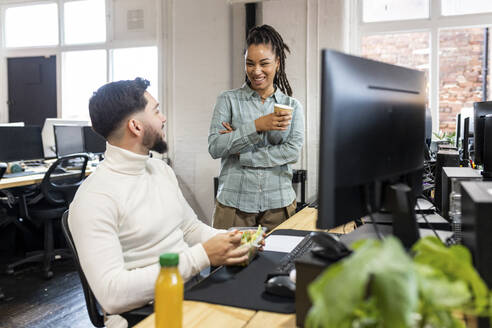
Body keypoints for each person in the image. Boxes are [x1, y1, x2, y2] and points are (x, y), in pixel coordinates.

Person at [68, 78, 251, 326]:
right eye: (156, 111)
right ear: (136, 126)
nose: (163, 118)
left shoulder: (159, 169)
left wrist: (234, 241)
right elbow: (111, 295)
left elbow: (189, 228)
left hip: (193, 291)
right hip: (145, 314)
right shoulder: (95, 198)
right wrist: (202, 257)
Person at [208, 25, 305, 232]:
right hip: (233, 204)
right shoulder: (228, 100)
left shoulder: (293, 106)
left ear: (277, 63)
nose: (256, 71)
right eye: (249, 63)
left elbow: (292, 151)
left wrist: (240, 150)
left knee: (280, 264)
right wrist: (257, 126)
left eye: (264, 63)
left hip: (278, 203)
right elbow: (216, 147)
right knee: (226, 264)